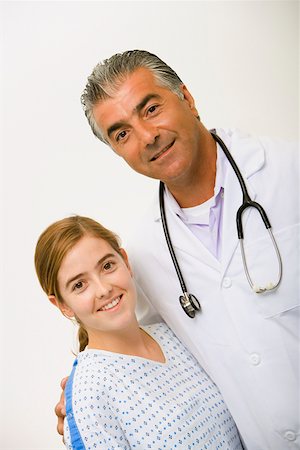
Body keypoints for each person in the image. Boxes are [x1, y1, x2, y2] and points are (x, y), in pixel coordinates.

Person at [56, 50, 299, 449]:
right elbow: (141, 345)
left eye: (151, 108)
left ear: (187, 98)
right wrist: (84, 396)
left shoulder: (289, 171)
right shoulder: (146, 249)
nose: (146, 136)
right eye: (121, 133)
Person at [35, 215, 243, 449]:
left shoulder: (174, 333)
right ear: (62, 305)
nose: (103, 289)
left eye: (107, 266)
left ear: (125, 261)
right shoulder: (90, 392)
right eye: (79, 285)